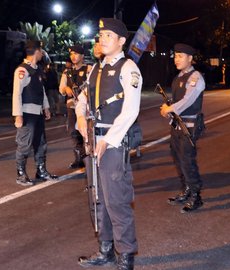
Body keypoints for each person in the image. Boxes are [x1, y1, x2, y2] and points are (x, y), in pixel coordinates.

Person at [76, 18, 141, 270]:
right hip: (93, 140)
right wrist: (81, 116)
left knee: (117, 200)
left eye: (108, 36)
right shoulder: (96, 69)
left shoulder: (129, 68)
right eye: (100, 35)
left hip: (113, 143)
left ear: (121, 41)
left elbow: (130, 110)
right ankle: (105, 250)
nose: (102, 39)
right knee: (98, 198)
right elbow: (83, 97)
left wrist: (109, 141)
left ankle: (125, 255)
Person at [160, 43, 205, 213]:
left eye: (180, 56)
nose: (176, 59)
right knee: (178, 160)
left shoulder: (195, 77)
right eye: (175, 56)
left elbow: (188, 100)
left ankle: (196, 196)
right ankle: (186, 191)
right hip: (176, 126)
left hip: (189, 127)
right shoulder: (178, 78)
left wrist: (170, 109)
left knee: (188, 161)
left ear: (190, 58)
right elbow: (177, 101)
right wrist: (167, 109)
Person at [12, 40, 52, 186]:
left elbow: (41, 91)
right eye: (41, 50)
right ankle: (20, 174)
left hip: (38, 112)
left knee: (41, 143)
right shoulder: (22, 70)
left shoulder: (36, 69)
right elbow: (17, 93)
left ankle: (41, 171)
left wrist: (46, 107)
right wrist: (18, 115)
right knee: (24, 145)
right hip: (27, 113)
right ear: (36, 51)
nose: (42, 53)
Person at [59, 45, 92, 169]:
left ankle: (87, 159)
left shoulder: (89, 69)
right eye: (71, 54)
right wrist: (65, 88)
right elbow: (61, 88)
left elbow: (91, 87)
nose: (73, 56)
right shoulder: (67, 72)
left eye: (76, 54)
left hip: (85, 107)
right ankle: (79, 159)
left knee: (86, 133)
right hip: (72, 106)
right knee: (73, 132)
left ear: (82, 56)